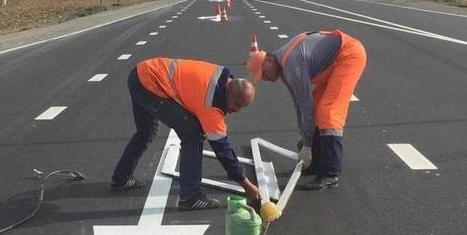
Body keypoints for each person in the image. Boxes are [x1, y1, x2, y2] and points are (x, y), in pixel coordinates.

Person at [112, 58, 260, 210]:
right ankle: (190, 197)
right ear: (229, 91)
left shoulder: (223, 78)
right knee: (193, 134)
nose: (237, 110)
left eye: (242, 107)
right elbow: (223, 151)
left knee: (146, 131)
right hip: (150, 84)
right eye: (236, 104)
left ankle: (121, 178)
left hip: (141, 73)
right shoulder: (211, 103)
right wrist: (247, 186)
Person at [246, 30, 366, 190]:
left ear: (268, 60)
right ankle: (317, 164)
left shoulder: (291, 66)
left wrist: (307, 145)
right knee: (316, 109)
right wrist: (305, 136)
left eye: (264, 74)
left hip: (348, 55)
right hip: (333, 61)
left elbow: (305, 106)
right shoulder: (282, 64)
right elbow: (298, 104)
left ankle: (330, 173)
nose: (266, 79)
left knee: (328, 112)